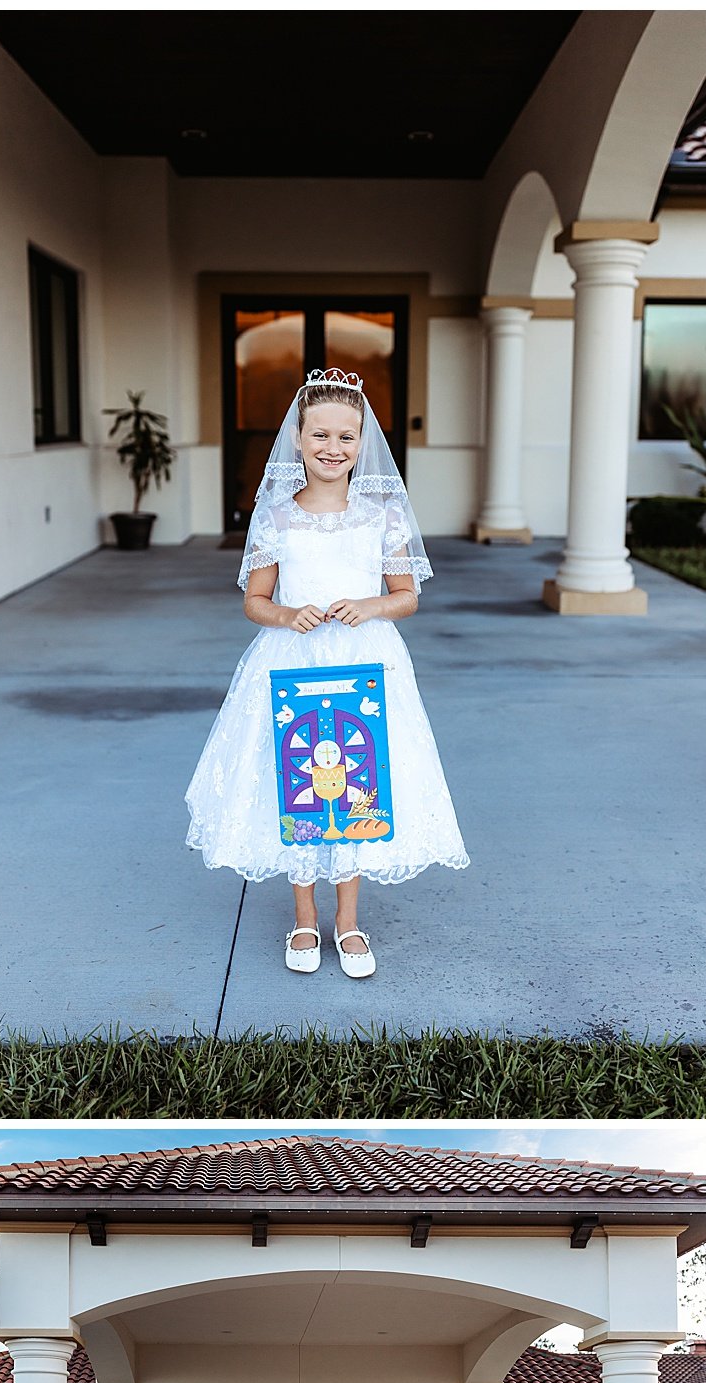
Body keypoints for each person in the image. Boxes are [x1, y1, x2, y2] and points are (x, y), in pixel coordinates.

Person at [185, 368, 467, 977]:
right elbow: (254, 601)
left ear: (362, 442)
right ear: (298, 439)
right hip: (296, 660)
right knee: (300, 783)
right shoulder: (276, 518)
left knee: (359, 782)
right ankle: (305, 919)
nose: (332, 448)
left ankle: (349, 923)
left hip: (366, 662)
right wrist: (288, 613)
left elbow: (407, 596)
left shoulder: (382, 514)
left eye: (346, 436)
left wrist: (368, 605)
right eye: (320, 435)